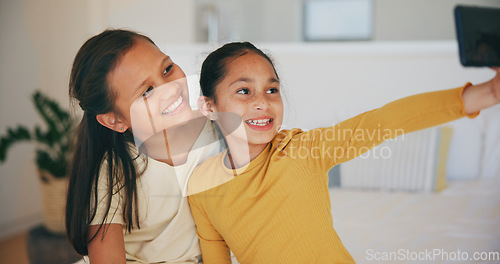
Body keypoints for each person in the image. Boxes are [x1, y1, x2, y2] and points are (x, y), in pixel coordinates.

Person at [186, 42, 500, 264]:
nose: (263, 102)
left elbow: (384, 120)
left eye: (272, 89)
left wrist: (487, 92)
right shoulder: (201, 185)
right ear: (208, 106)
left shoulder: (301, 150)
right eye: (244, 90)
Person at [65, 29, 224, 263]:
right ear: (115, 120)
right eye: (147, 91)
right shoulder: (112, 172)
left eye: (167, 69)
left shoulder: (216, 126)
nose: (170, 88)